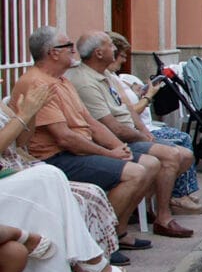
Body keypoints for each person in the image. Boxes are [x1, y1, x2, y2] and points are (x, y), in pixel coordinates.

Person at [10, 27, 157, 241]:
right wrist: (109, 154)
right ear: (53, 52)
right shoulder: (37, 83)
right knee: (135, 173)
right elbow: (65, 138)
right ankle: (99, 241)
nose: (74, 50)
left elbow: (89, 121)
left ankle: (118, 233)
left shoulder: (62, 80)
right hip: (55, 158)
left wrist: (117, 146)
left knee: (149, 165)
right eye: (68, 46)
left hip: (77, 151)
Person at [0, 88, 127, 272]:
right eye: (67, 46)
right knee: (49, 177)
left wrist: (30, 115)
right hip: (8, 182)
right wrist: (23, 114)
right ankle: (87, 260)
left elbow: (21, 144)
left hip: (16, 177)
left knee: (83, 196)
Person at [69, 32, 199, 235]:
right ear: (99, 53)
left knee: (186, 155)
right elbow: (111, 127)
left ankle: (143, 205)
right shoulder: (85, 81)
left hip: (127, 134)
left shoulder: (105, 74)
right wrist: (140, 137)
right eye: (111, 45)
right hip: (116, 139)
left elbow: (127, 109)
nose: (115, 49)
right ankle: (161, 216)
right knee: (170, 156)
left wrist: (145, 132)